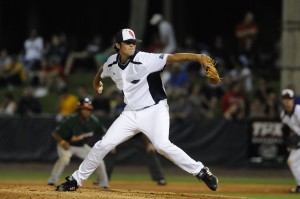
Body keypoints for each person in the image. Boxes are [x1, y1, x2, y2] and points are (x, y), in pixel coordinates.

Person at [56, 28, 219, 192]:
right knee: (103, 144)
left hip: (155, 110)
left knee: (162, 146)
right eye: (128, 42)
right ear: (118, 45)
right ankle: (75, 180)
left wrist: (198, 57)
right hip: (130, 113)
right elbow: (101, 71)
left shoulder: (145, 59)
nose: (132, 45)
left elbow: (173, 58)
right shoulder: (112, 62)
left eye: (134, 42)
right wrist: (97, 82)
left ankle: (201, 171)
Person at [48, 97, 109, 189]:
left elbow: (104, 133)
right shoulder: (71, 120)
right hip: (67, 145)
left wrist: (110, 144)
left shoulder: (93, 121)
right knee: (64, 159)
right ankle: (52, 181)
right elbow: (55, 133)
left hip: (81, 146)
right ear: (79, 109)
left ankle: (104, 184)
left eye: (88, 109)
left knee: (98, 161)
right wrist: (62, 142)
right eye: (84, 109)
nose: (86, 111)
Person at [280, 88, 300, 193]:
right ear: (282, 100)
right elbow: (292, 130)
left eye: (290, 99)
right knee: (294, 163)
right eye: (285, 99)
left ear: (293, 100)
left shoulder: (298, 110)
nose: (287, 101)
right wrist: (291, 141)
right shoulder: (283, 115)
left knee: (292, 161)